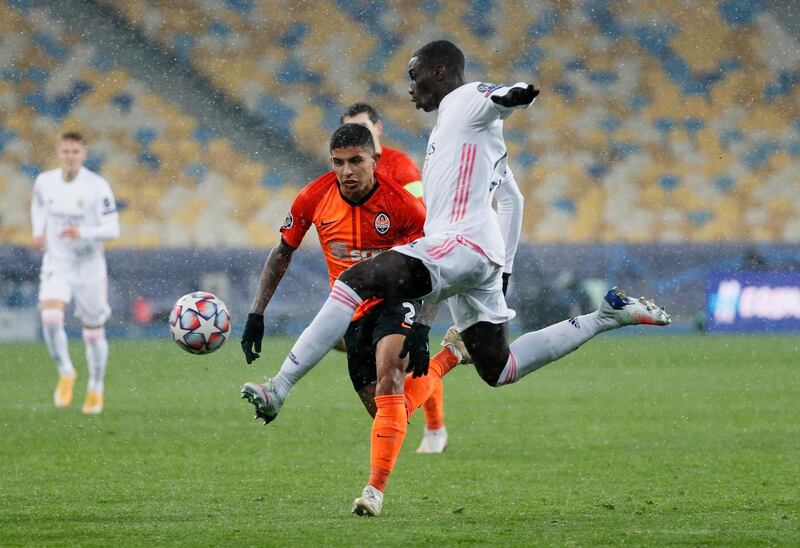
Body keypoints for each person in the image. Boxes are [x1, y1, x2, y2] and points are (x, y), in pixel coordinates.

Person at [241, 40, 671, 517]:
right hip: (477, 256)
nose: (410, 88)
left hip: (459, 244)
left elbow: (496, 96)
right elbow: (514, 202)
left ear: (440, 72)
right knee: (499, 369)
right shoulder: (469, 134)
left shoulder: (464, 101)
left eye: (414, 75)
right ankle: (605, 317)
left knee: (358, 278)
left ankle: (280, 386)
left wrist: (518, 94)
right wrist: (500, 274)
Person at [240, 123, 469, 448]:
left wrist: (422, 324)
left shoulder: (403, 206)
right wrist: (256, 314)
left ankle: (278, 387)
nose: (346, 171)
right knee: (389, 415)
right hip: (349, 312)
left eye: (356, 161)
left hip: (396, 299)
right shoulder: (314, 197)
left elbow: (437, 266)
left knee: (390, 376)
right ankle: (452, 354)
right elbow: (282, 253)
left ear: (375, 159)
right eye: (338, 162)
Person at [341, 102, 448, 453]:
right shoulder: (347, 173)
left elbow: (420, 221)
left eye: (364, 130)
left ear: (378, 129)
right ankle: (411, 418)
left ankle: (434, 428)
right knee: (357, 347)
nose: (358, 138)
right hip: (369, 279)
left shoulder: (401, 167)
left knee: (407, 351)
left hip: (407, 272)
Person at [31, 131, 119, 414]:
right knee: (50, 316)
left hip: (89, 266)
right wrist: (37, 231)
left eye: (75, 152)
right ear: (58, 153)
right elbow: (38, 205)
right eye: (65, 151)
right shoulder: (44, 182)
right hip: (58, 261)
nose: (70, 157)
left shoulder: (97, 186)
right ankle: (67, 371)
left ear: (84, 155)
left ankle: (96, 387)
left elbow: (113, 229)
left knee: (93, 330)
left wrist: (82, 231)